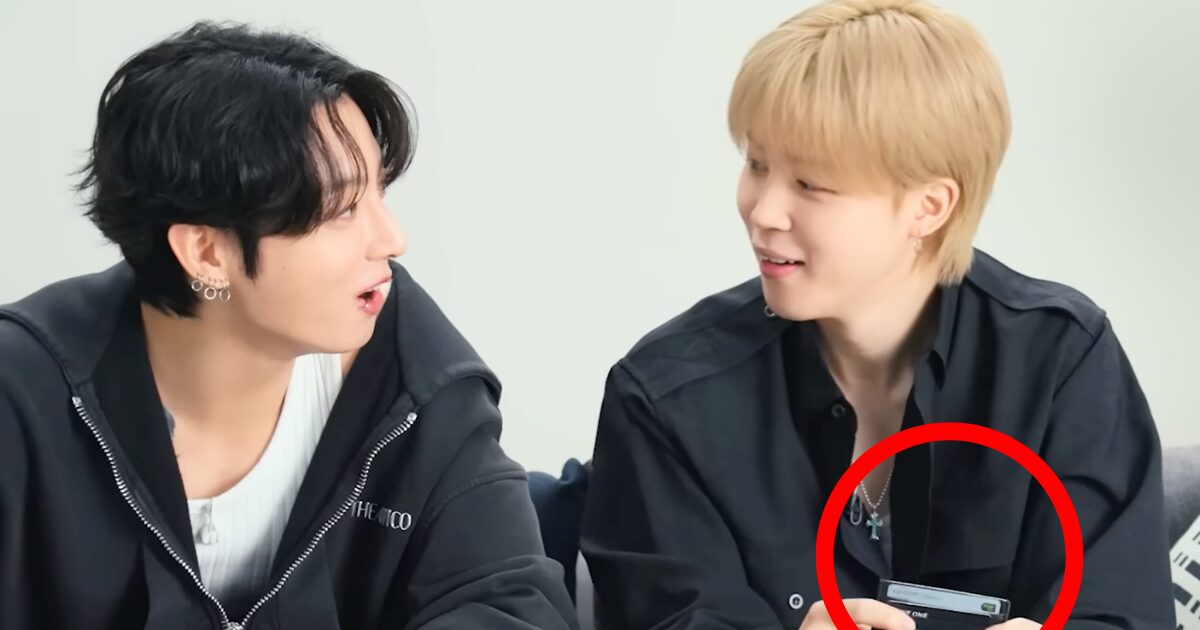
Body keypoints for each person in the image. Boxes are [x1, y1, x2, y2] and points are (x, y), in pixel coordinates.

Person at [579, 1, 1173, 628]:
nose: (763, 212)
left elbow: (1120, 612)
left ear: (929, 206)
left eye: (811, 184)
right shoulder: (665, 399)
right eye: (756, 164)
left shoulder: (1061, 362)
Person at [0, 22, 576, 630]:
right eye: (342, 209)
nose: (392, 239)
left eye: (380, 194)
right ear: (207, 253)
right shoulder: (23, 396)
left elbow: (513, 605)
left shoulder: (417, 385)